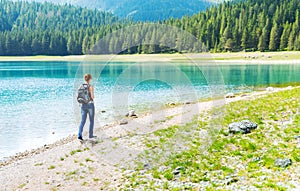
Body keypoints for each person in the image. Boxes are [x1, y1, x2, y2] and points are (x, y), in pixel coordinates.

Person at [78, 74, 96, 141]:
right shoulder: (90, 86)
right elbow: (92, 97)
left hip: (83, 105)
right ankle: (90, 135)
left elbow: (78, 95)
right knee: (91, 120)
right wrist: (92, 92)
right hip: (90, 105)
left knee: (82, 121)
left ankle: (79, 135)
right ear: (90, 79)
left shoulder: (81, 86)